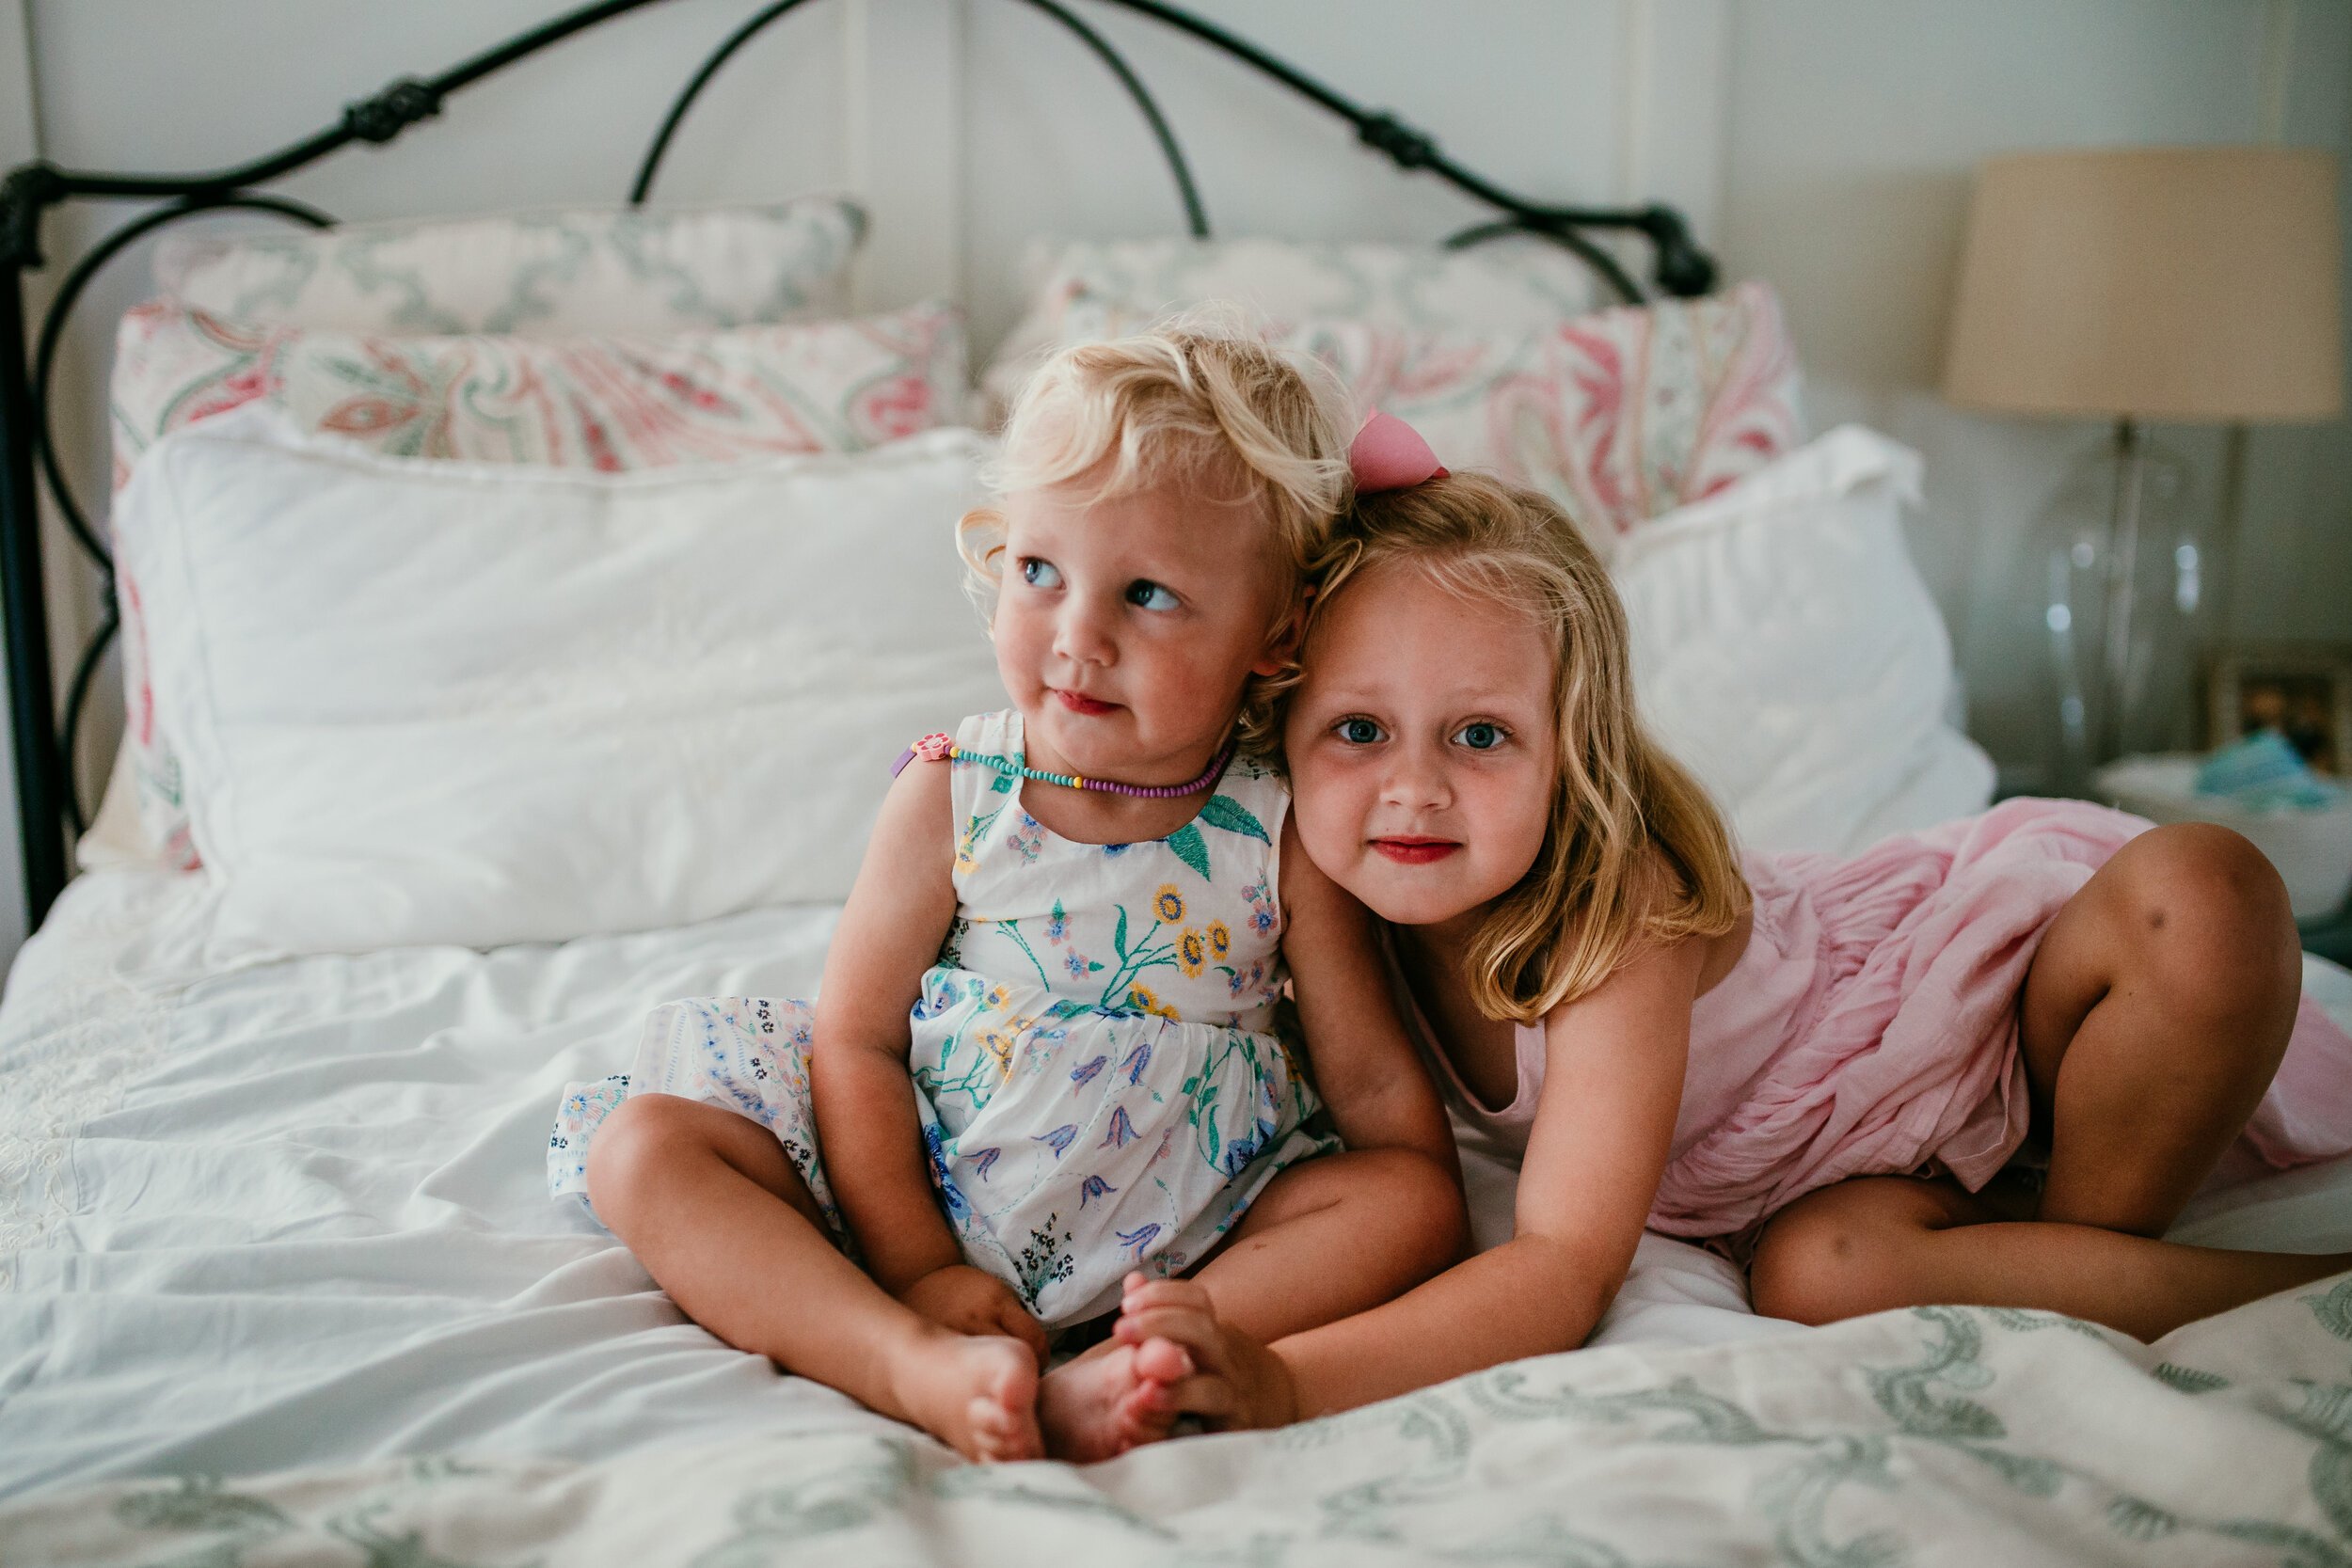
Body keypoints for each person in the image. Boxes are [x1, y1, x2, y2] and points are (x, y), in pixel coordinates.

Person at [1104, 439, 2352, 1434]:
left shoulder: (1619, 906)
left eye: (1480, 734)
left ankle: (2223, 1274)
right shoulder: (1311, 896)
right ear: (1283, 730)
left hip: (1965, 1016)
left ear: (1570, 747)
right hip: (1840, 1172)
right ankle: (2153, 1273)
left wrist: (1291, 1383)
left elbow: (1560, 1262)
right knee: (1823, 1278)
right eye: (1359, 730)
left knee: (2203, 892)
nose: (1415, 788)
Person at [546, 331, 1465, 1463]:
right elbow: (858, 1043)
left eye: (1148, 593)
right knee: (643, 1147)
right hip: (915, 1190)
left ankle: (1143, 1358)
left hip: (1187, 1234)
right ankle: (902, 1357)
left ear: (1273, 633)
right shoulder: (956, 791)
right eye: (1039, 571)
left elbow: (1374, 1086)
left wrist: (1406, 1192)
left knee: (1414, 1204)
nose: (1077, 637)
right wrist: (919, 1265)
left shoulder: (1280, 831)